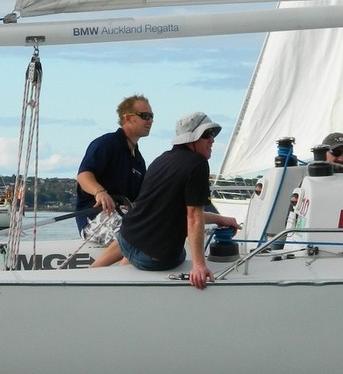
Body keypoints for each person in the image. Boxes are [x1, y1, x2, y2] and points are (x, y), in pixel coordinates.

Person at [90, 112, 241, 289]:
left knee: (136, 240)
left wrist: (220, 219)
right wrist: (199, 266)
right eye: (207, 135)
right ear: (192, 139)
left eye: (213, 135)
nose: (212, 140)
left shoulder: (161, 160)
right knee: (179, 254)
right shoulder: (197, 165)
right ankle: (126, 271)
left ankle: (92, 273)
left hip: (126, 238)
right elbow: (193, 216)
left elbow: (175, 212)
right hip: (152, 259)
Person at [75, 95, 153, 236]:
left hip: (125, 217)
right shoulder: (106, 144)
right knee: (139, 235)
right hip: (95, 219)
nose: (150, 121)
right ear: (128, 118)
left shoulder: (139, 161)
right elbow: (83, 176)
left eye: (151, 116)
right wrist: (100, 193)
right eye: (145, 116)